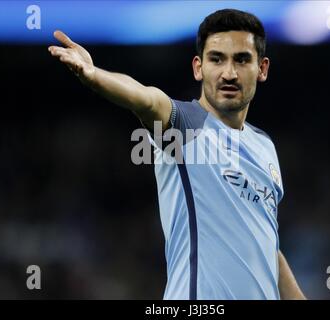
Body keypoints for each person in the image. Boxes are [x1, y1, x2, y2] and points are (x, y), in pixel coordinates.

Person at [49, 8, 306, 300]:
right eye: (217, 59)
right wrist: (96, 76)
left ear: (262, 69)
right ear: (198, 67)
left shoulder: (265, 146)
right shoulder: (185, 126)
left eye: (242, 60)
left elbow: (267, 245)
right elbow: (146, 99)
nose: (229, 73)